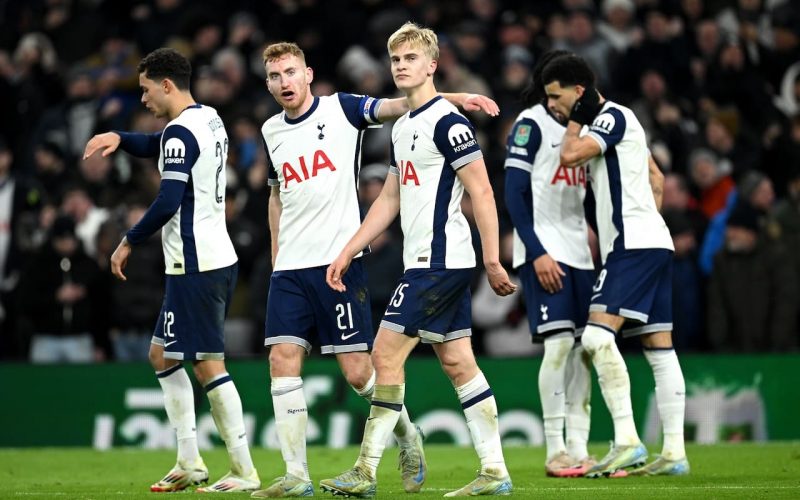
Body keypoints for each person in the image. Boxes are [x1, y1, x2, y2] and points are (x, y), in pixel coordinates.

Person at [253, 41, 500, 498]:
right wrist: (275, 255)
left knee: (362, 369)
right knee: (281, 360)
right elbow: (275, 196)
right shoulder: (271, 131)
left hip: (346, 263)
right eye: (274, 76)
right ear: (267, 83)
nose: (283, 82)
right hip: (291, 266)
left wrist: (457, 98)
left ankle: (404, 438)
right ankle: (297, 476)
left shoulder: (343, 110)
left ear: (308, 75)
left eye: (290, 72)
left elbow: (404, 100)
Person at [321, 22, 517, 497]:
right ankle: (495, 471)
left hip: (442, 260)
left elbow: (483, 191)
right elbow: (389, 199)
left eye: (411, 59)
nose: (401, 66)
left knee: (384, 355)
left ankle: (366, 471)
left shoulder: (450, 123)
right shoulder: (403, 125)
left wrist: (492, 258)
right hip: (424, 260)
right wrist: (350, 247)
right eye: (395, 60)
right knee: (457, 362)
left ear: (432, 65)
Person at [82, 48, 260, 493]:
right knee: (162, 355)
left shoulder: (180, 132)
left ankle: (243, 469)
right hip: (208, 256)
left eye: (144, 90)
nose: (141, 99)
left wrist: (127, 241)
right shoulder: (208, 118)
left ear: (166, 85)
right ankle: (189, 460)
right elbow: (160, 145)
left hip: (196, 264)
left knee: (207, 364)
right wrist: (121, 138)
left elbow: (167, 199)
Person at [543, 53, 689, 477]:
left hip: (633, 247)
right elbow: (657, 179)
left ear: (579, 91)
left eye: (557, 97)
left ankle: (627, 440)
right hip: (652, 243)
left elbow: (568, 156)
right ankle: (675, 453)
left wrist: (577, 121)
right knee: (660, 350)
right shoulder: (624, 123)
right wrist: (650, 223)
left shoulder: (610, 118)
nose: (554, 106)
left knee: (594, 339)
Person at [503, 50, 595, 478]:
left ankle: (579, 447)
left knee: (583, 351)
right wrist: (536, 251)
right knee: (559, 345)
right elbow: (514, 194)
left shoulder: (585, 128)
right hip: (545, 250)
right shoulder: (530, 125)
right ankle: (555, 448)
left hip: (580, 251)